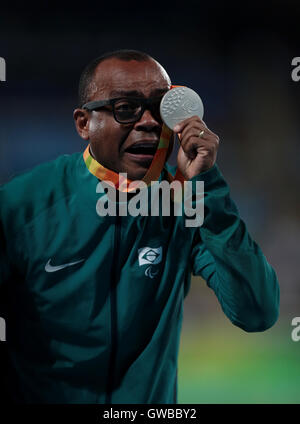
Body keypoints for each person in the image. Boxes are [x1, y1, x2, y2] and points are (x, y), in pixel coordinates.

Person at [0, 49, 279, 404]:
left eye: (161, 108)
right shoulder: (20, 208)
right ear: (84, 123)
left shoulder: (184, 203)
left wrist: (206, 184)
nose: (149, 122)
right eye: (126, 108)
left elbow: (257, 312)